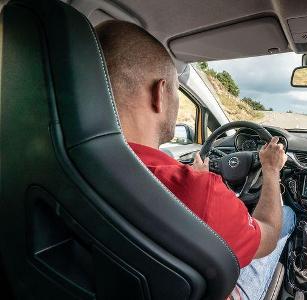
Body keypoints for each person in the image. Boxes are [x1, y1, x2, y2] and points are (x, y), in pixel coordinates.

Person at [96, 20, 296, 300]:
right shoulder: (202, 193)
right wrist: (271, 170)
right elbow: (268, 233)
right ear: (160, 94)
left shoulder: (74, 165)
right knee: (287, 218)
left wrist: (190, 175)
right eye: (177, 92)